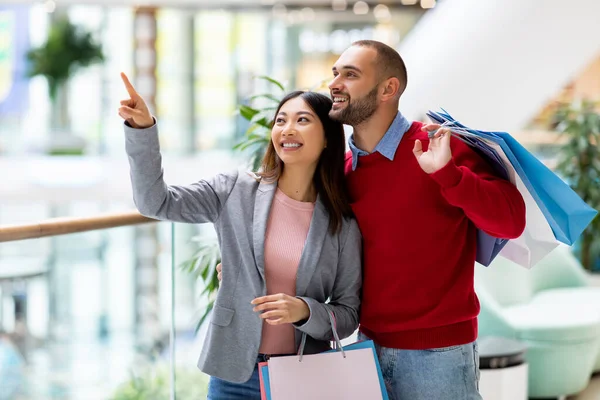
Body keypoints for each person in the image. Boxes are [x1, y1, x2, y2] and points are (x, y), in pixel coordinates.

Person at [118, 73, 362, 400]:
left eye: (302, 120)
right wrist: (143, 130)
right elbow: (155, 202)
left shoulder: (341, 224)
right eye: (280, 120)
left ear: (328, 137)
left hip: (304, 377)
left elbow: (348, 314)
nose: (287, 129)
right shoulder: (236, 189)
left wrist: (304, 311)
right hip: (235, 375)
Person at [326, 40, 526, 399]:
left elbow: (511, 223)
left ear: (389, 88)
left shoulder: (439, 147)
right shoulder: (342, 173)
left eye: (350, 74)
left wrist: (448, 174)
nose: (335, 83)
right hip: (365, 347)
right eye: (335, 73)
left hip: (439, 355)